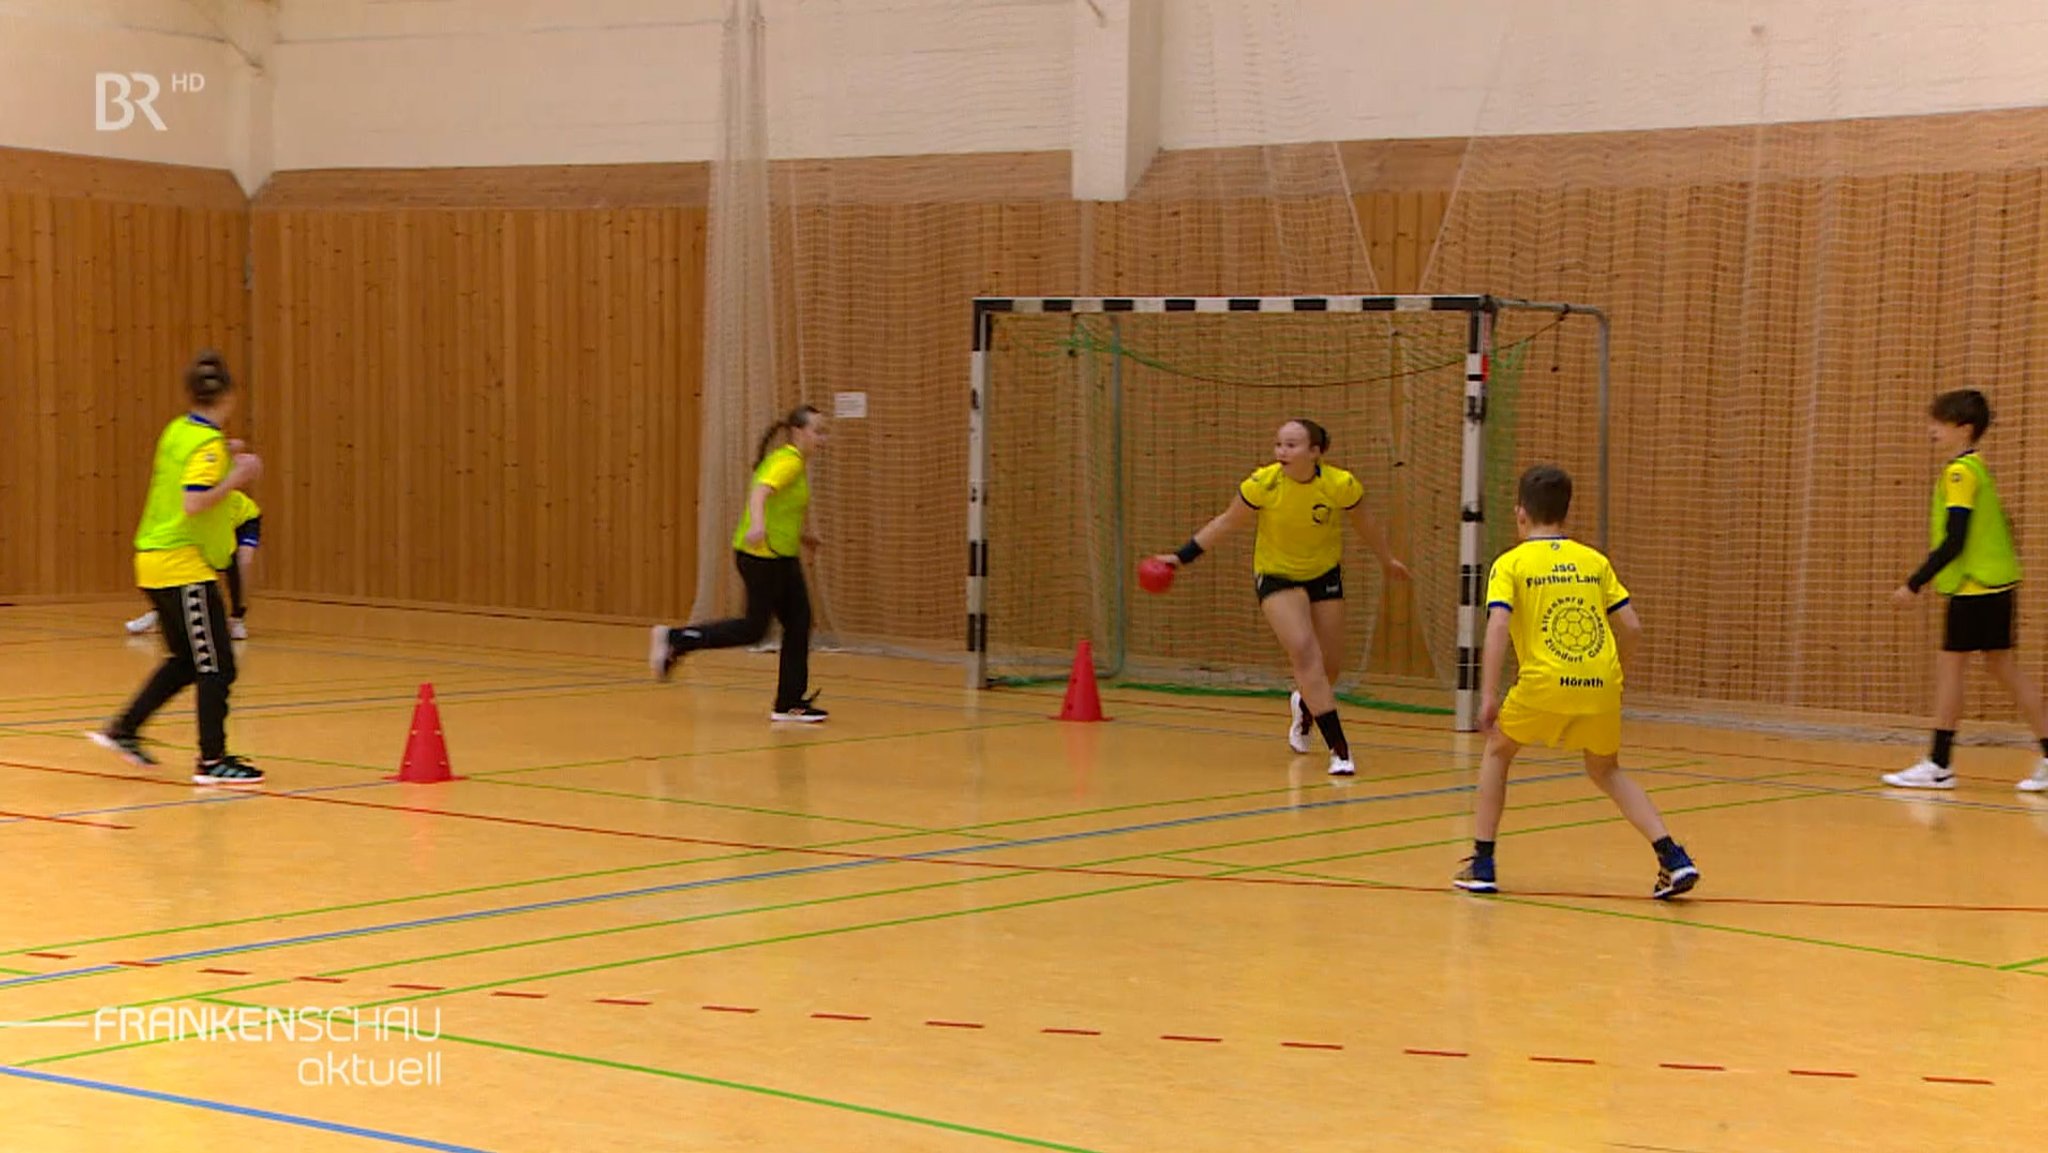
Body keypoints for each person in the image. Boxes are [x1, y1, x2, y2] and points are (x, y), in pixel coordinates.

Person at [1453, 464, 1697, 898]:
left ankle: (1483, 862)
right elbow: (1633, 627)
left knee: (1498, 751)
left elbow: (1496, 627)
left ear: (1520, 514)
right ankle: (1672, 856)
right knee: (1606, 769)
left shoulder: (1511, 563)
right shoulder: (1594, 561)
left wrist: (1488, 695)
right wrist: (1618, 676)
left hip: (1543, 682)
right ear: (1567, 514)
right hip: (1601, 682)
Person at [1152, 418, 1410, 776]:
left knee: (1330, 666)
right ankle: (1340, 749)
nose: (1282, 452)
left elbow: (1365, 523)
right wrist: (1181, 557)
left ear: (1315, 452)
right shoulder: (1263, 484)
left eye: (1291, 445)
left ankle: (1303, 705)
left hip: (1323, 575)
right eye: (1279, 445)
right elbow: (1227, 521)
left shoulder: (1340, 485)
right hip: (1276, 575)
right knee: (1304, 651)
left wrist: (1387, 559)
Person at [89, 350, 265, 785]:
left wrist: (226, 453)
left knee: (187, 660)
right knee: (218, 665)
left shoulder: (179, 430)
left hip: (152, 559)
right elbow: (194, 501)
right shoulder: (206, 447)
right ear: (230, 396)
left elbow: (184, 463)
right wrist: (236, 477)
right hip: (181, 564)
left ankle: (124, 729)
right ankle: (212, 760)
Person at [1883, 389, 2048, 792]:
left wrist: (1914, 583)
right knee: (2000, 667)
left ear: (1964, 429)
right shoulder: (1978, 470)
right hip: (1993, 584)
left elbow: (1955, 538)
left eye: (1939, 423)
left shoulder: (1960, 473)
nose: (1931, 430)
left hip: (1976, 588)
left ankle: (1939, 763)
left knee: (1952, 670)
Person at [650, 405, 830, 722]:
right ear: (798, 432)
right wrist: (757, 526)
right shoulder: (787, 461)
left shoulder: (793, 463)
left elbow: (780, 508)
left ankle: (789, 702)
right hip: (763, 558)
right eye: (817, 431)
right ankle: (678, 639)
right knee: (753, 629)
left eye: (824, 431)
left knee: (799, 622)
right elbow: (760, 494)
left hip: (780, 557)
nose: (823, 439)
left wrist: (803, 537)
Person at [125, 489, 260, 640]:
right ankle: (162, 614)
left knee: (240, 563)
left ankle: (237, 618)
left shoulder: (217, 509)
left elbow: (224, 554)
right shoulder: (184, 510)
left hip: (245, 520)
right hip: (213, 524)